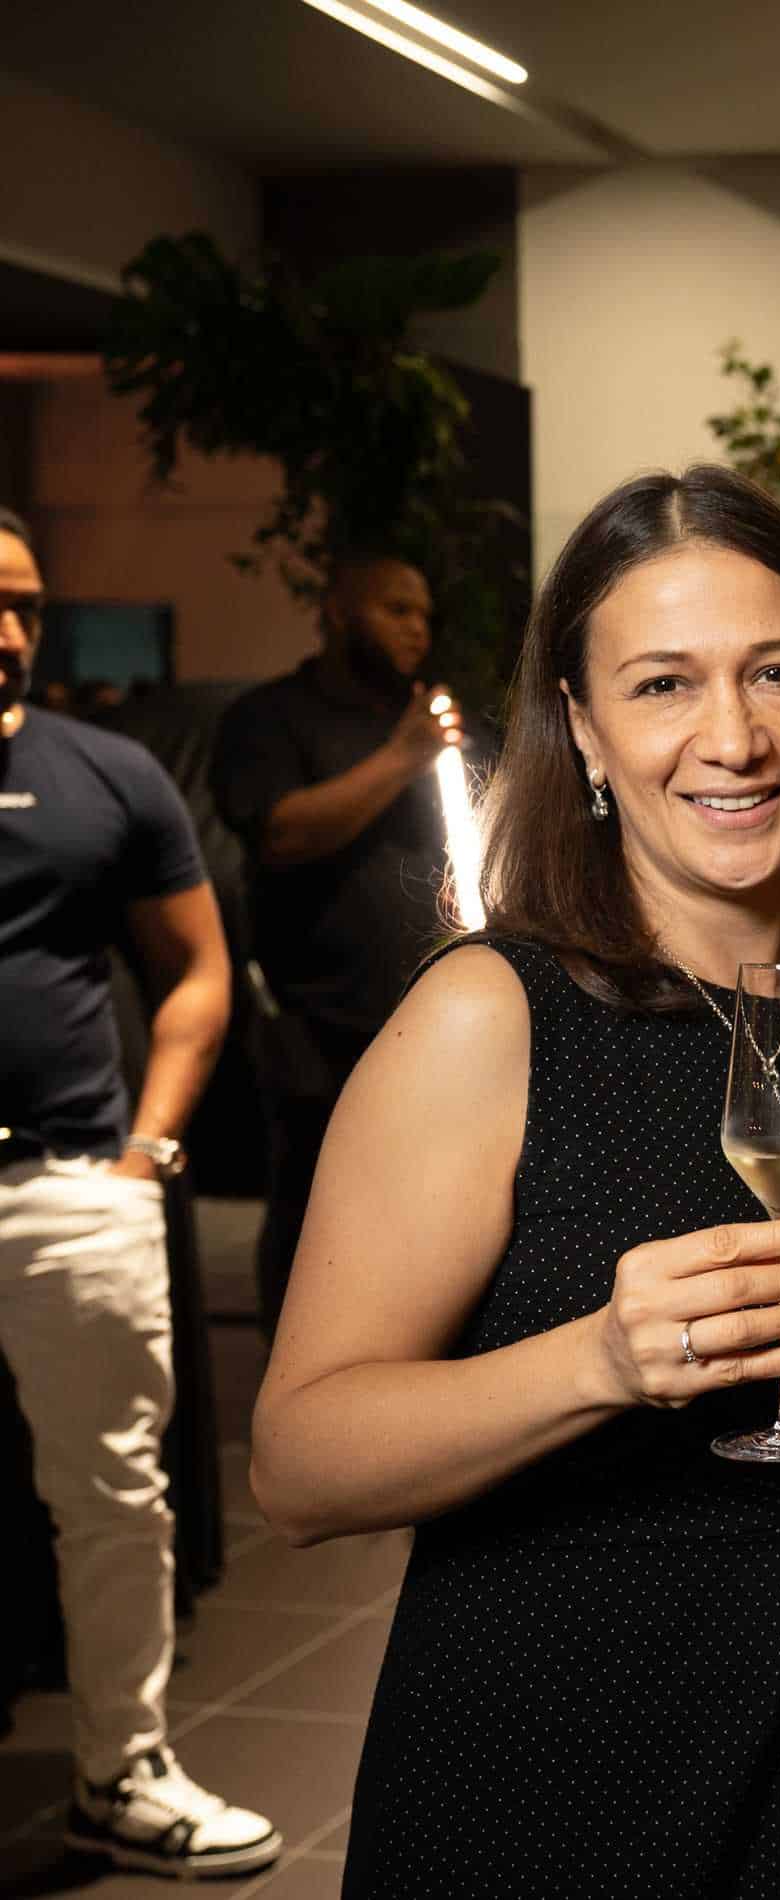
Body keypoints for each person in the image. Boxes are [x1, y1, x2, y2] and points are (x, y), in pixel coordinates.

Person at [250, 467, 780, 1898]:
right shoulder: (492, 1016)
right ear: (584, 730)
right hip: (550, 1763)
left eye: (779, 676)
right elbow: (297, 1465)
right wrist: (601, 1361)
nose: (733, 738)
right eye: (664, 685)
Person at [0, 506, 278, 1877]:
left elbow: (200, 974)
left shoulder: (105, 773)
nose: (7, 633)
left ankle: (124, 1770)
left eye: (26, 606)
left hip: (67, 1183)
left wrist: (147, 1155)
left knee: (112, 1492)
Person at [212, 551, 474, 1334]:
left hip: (445, 1029)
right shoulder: (271, 718)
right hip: (322, 1031)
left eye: (425, 614)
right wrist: (403, 758)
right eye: (396, 609)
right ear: (336, 610)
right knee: (313, 1230)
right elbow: (281, 834)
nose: (417, 629)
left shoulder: (438, 715)